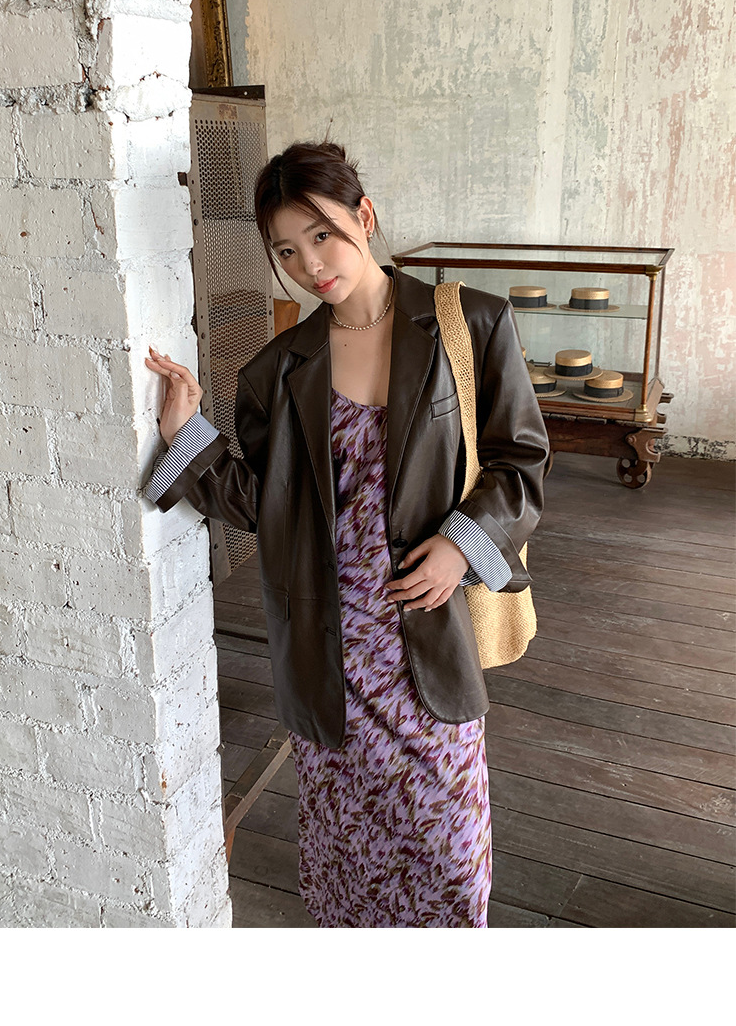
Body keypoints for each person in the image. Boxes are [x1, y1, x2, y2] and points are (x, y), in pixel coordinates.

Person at [143, 140, 549, 928]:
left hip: (427, 643)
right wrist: (186, 435)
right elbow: (264, 502)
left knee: (451, 861)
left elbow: (522, 461)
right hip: (330, 658)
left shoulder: (468, 323)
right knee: (348, 871)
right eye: (287, 251)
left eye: (322, 234)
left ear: (364, 215)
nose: (310, 264)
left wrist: (463, 543)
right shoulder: (277, 370)